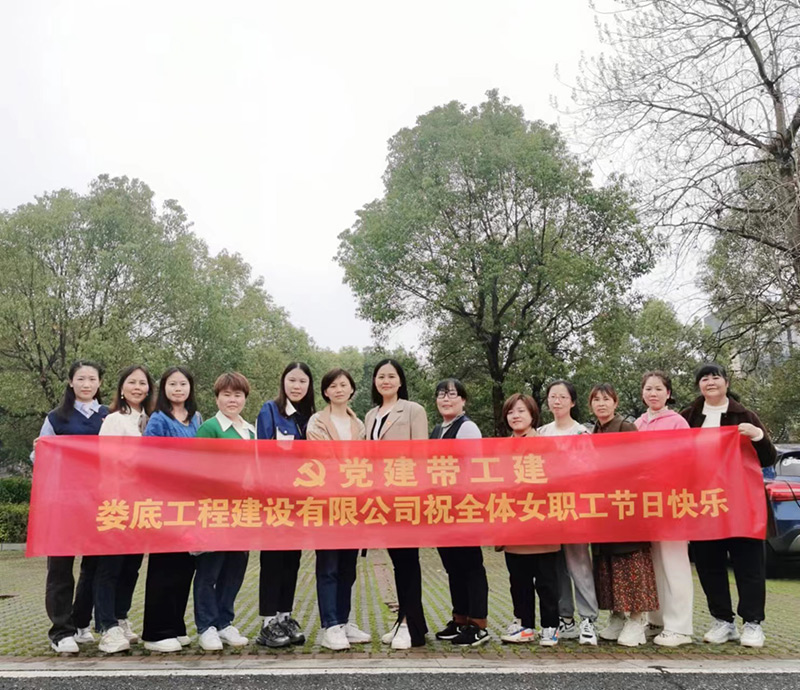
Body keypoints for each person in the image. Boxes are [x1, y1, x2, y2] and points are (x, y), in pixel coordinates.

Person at [681, 363, 776, 648]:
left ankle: (753, 623)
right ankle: (723, 621)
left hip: (741, 503)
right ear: (699, 385)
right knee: (709, 564)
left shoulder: (744, 415)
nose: (710, 382)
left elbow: (768, 458)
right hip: (703, 503)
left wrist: (757, 436)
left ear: (726, 382)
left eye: (715, 377)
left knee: (749, 563)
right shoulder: (688, 417)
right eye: (704, 378)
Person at [35, 361, 107, 654]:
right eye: (81, 379)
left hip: (100, 502)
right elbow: (40, 456)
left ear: (100, 383)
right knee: (61, 568)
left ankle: (80, 623)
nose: (86, 384)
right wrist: (40, 449)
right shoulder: (57, 417)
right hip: (63, 502)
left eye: (92, 379)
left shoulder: (108, 417)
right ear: (70, 381)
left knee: (94, 567)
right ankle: (60, 630)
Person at [364, 358, 429, 649]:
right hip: (380, 497)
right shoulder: (371, 415)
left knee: (407, 562)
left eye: (391, 376)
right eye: (381, 376)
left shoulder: (413, 410)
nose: (386, 381)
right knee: (397, 560)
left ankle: (409, 626)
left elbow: (422, 454)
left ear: (400, 381)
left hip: (405, 495)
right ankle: (410, 619)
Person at [306, 368, 372, 651]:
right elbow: (322, 459)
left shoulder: (359, 423)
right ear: (325, 392)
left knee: (348, 566)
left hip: (354, 504)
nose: (339, 389)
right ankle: (330, 626)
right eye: (333, 386)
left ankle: (344, 621)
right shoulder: (317, 422)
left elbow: (366, 459)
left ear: (352, 389)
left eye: (343, 385)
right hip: (327, 502)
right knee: (328, 565)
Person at [589, 383, 659, 647]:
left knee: (630, 563)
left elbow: (638, 466)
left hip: (626, 508)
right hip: (603, 510)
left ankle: (637, 619)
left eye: (606, 399)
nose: (601, 404)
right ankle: (616, 616)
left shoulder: (626, 427)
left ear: (615, 403)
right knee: (607, 564)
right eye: (596, 400)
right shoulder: (594, 431)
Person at [94, 365, 156, 653]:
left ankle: (121, 617)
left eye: (142, 383)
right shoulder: (114, 420)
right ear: (121, 388)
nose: (137, 387)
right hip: (116, 501)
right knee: (110, 566)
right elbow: (105, 461)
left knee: (132, 566)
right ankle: (106, 626)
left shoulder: (152, 421)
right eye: (132, 382)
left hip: (143, 504)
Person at [141, 366, 203, 653]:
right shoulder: (158, 419)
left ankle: (176, 625)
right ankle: (156, 632)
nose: (178, 389)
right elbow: (150, 460)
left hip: (190, 503)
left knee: (184, 566)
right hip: (165, 501)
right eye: (172, 384)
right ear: (163, 388)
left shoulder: (196, 418)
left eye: (183, 384)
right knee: (163, 566)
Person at [192, 372, 255, 651]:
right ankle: (206, 626)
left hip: (243, 511)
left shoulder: (250, 430)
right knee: (210, 570)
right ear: (217, 398)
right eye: (226, 395)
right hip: (215, 510)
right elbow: (200, 470)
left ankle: (224, 621)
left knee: (234, 569)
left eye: (237, 395)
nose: (232, 400)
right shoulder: (210, 428)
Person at [255, 362, 315, 648]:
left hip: (300, 502)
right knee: (272, 560)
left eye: (302, 381)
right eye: (292, 380)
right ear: (283, 382)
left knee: (292, 559)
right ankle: (267, 622)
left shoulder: (310, 418)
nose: (297, 386)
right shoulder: (270, 411)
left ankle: (284, 616)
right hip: (274, 500)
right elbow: (262, 454)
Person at [634, 370, 694, 647]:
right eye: (649, 388)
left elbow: (686, 461)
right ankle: (656, 620)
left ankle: (680, 627)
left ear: (668, 393)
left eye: (659, 389)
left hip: (671, 500)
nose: (653, 393)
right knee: (653, 563)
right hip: (645, 503)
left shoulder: (677, 422)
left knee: (674, 562)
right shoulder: (637, 423)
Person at [537, 380, 599, 646]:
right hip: (547, 509)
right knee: (555, 566)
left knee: (579, 563)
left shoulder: (581, 433)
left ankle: (588, 619)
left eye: (563, 397)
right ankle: (566, 619)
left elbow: (589, 470)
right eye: (553, 396)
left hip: (574, 507)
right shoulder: (541, 432)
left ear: (572, 402)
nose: (557, 401)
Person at [429, 378, 490, 647]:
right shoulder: (437, 430)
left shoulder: (467, 428)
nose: (446, 399)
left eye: (452, 394)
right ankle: (460, 618)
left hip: (464, 507)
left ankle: (478, 624)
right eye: (441, 394)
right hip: (442, 508)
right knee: (453, 566)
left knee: (471, 565)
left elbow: (473, 468)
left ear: (463, 400)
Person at [498, 394, 561, 648]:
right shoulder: (501, 448)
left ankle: (551, 626)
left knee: (546, 581)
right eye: (511, 412)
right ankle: (525, 625)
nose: (515, 416)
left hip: (541, 522)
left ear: (533, 415)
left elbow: (557, 480)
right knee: (519, 581)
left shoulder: (547, 445)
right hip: (513, 524)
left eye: (521, 411)